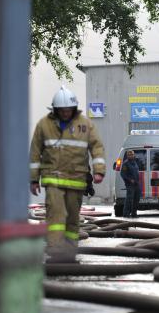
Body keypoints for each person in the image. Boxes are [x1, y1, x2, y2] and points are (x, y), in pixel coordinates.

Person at [30, 86, 106, 262]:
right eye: (62, 110)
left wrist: (99, 171)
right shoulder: (44, 125)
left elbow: (97, 147)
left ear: (74, 109)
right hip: (53, 179)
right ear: (55, 109)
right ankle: (56, 249)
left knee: (72, 218)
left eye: (69, 110)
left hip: (76, 179)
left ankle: (70, 250)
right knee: (56, 215)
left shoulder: (85, 125)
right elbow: (35, 153)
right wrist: (33, 179)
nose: (66, 113)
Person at [120, 149, 140, 217]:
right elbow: (122, 174)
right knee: (129, 200)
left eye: (132, 154)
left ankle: (134, 213)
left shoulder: (135, 162)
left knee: (136, 199)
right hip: (130, 184)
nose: (131, 156)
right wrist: (129, 180)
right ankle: (126, 214)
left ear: (134, 155)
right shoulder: (125, 164)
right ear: (127, 156)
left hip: (136, 184)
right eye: (129, 155)